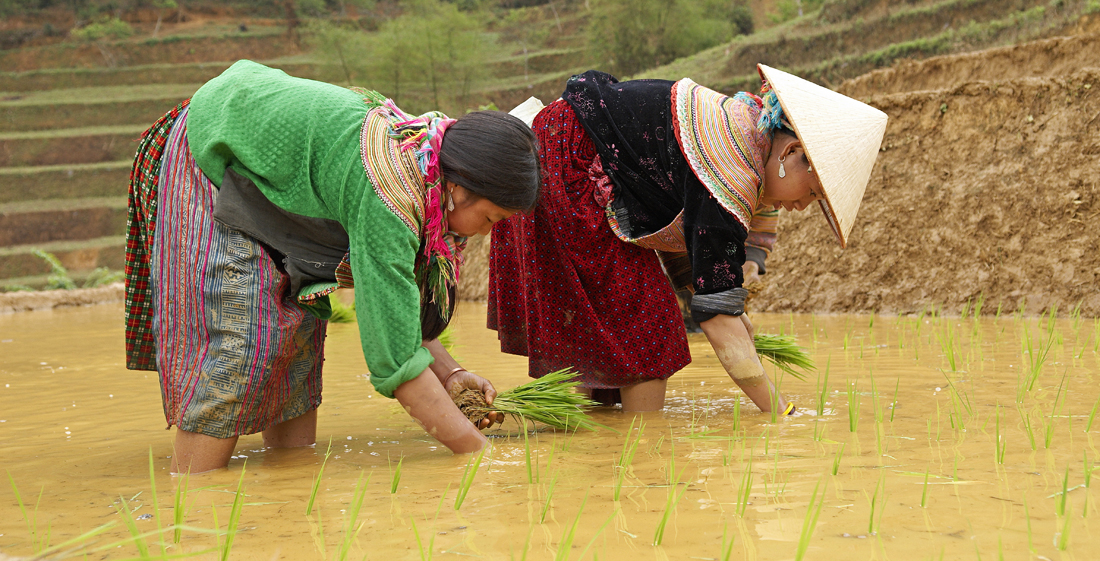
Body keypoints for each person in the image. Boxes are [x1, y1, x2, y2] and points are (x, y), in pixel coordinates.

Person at [124, 60, 540, 473]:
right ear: (459, 188)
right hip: (214, 139)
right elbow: (395, 362)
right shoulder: (392, 195)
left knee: (300, 337)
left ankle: (289, 490)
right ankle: (191, 494)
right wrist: (481, 454)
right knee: (245, 342)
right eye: (490, 219)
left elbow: (396, 314)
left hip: (272, 165)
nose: (485, 233)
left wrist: (451, 374)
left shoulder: (429, 159)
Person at [488, 64, 887, 414]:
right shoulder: (731, 173)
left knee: (601, 333)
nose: (803, 206)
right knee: (648, 326)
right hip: (568, 163)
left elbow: (705, 272)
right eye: (813, 193)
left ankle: (593, 458)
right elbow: (715, 317)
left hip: (555, 145)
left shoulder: (744, 128)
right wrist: (779, 411)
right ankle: (642, 453)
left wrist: (735, 313)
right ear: (793, 152)